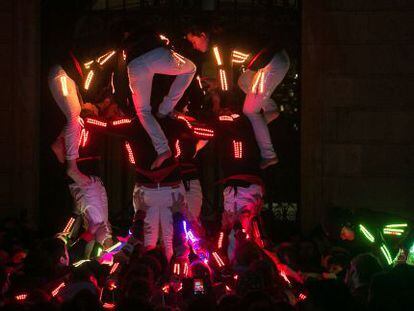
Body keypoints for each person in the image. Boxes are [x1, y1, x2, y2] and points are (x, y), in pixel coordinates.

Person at [83, 114, 214, 262]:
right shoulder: (170, 121)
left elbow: (103, 125)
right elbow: (209, 133)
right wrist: (184, 118)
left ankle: (161, 273)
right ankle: (169, 275)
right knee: (170, 244)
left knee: (155, 243)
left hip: (154, 189)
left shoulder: (135, 122)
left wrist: (84, 120)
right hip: (165, 188)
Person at [185, 23, 290, 169]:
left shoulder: (218, 46)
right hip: (271, 61)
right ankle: (271, 110)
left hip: (271, 64)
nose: (194, 46)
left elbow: (224, 74)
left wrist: (223, 104)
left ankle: (269, 155)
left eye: (193, 41)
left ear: (203, 35)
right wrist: (218, 84)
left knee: (250, 110)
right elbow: (227, 76)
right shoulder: (221, 41)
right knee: (244, 81)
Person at [49, 36, 128, 184]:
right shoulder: (109, 58)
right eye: (116, 112)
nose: (115, 114)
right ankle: (72, 167)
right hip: (63, 75)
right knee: (75, 117)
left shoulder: (109, 63)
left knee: (75, 115)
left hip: (68, 77)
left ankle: (59, 142)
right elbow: (90, 79)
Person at [123, 30, 197, 170]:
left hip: (135, 63)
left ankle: (163, 149)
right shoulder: (147, 30)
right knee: (191, 69)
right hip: (154, 53)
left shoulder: (127, 43)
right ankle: (165, 109)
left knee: (142, 111)